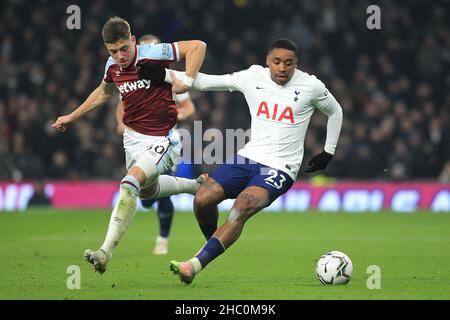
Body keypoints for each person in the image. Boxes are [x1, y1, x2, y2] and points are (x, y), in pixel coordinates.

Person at [138, 38, 343, 285]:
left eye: (288, 63)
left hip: (281, 167)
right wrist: (163, 73)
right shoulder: (252, 76)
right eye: (277, 62)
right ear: (267, 60)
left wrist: (327, 152)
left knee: (242, 207)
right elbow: (206, 81)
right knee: (202, 199)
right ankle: (214, 244)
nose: (282, 68)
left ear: (296, 64)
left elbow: (335, 111)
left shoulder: (311, 85)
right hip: (249, 156)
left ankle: (194, 265)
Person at [52, 17, 206, 274]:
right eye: (114, 51)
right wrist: (71, 116)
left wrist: (186, 82)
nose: (120, 55)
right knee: (146, 192)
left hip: (163, 139)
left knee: (130, 182)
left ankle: (104, 252)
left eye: (124, 48)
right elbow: (104, 93)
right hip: (133, 140)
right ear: (107, 49)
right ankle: (195, 186)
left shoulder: (153, 53)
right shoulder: (112, 65)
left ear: (133, 40)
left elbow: (198, 46)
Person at [115, 34, 196, 255]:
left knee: (162, 192)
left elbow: (189, 108)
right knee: (148, 197)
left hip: (165, 138)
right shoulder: (131, 77)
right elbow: (121, 105)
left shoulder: (168, 77)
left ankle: (162, 239)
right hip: (139, 139)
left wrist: (172, 114)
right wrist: (120, 123)